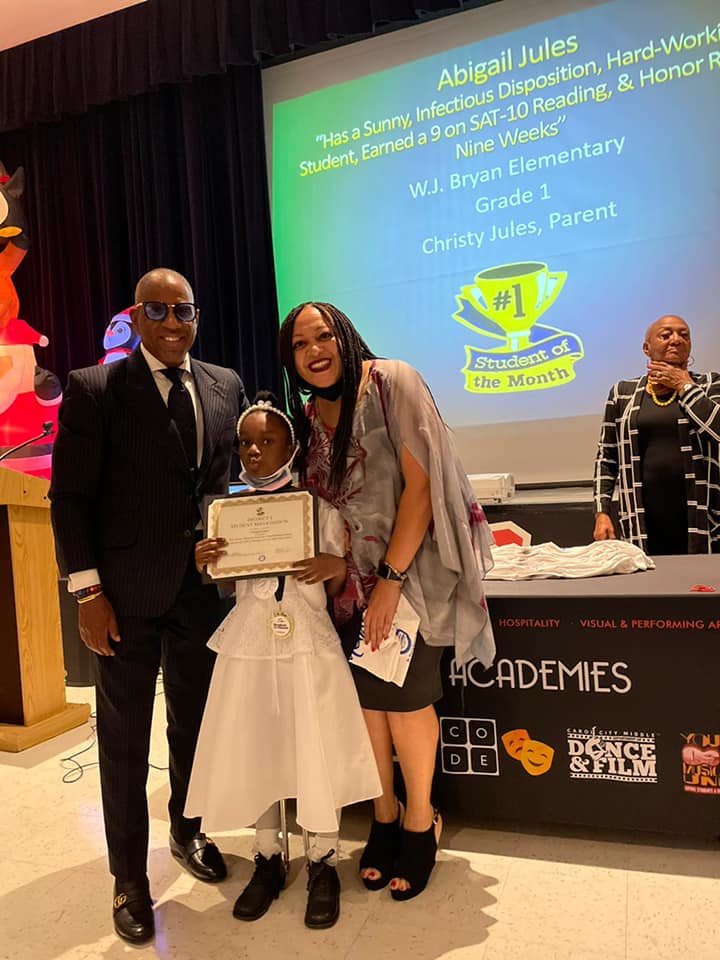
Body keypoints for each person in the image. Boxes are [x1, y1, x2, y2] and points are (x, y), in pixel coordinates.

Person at [49, 268, 248, 944]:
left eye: (182, 310)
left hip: (202, 592)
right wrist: (88, 593)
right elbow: (69, 498)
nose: (170, 323)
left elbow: (223, 485)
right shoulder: (95, 388)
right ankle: (130, 877)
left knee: (194, 726)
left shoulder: (223, 385)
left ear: (196, 317)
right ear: (135, 318)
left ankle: (188, 831)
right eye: (156, 310)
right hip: (123, 598)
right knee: (126, 741)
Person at [278, 302, 495, 901]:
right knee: (366, 708)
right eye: (300, 344)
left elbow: (421, 488)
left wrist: (390, 582)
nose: (315, 351)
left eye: (324, 336)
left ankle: (421, 821)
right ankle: (384, 813)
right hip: (344, 592)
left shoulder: (392, 381)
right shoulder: (307, 417)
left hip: (410, 580)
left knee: (404, 702)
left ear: (346, 336)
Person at [185, 393, 381, 929]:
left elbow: (338, 585)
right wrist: (208, 562)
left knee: (316, 745)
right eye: (245, 443)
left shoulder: (320, 510)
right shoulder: (228, 513)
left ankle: (323, 860)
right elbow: (229, 584)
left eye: (267, 441)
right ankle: (267, 856)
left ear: (292, 448)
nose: (253, 451)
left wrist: (333, 566)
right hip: (250, 642)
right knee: (258, 746)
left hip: (308, 643)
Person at [593, 314, 720, 554]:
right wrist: (602, 512)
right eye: (666, 335)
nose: (676, 339)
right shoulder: (623, 392)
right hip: (642, 519)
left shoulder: (710, 384)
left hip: (702, 518)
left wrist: (684, 386)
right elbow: (607, 457)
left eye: (684, 335)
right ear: (646, 348)